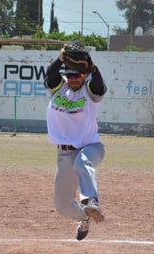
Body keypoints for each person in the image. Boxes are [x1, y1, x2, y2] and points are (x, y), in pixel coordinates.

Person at [44, 40, 107, 241]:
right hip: (64, 154)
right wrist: (61, 58)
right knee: (62, 206)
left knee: (83, 161)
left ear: (84, 75)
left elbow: (98, 85)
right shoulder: (58, 89)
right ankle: (85, 216)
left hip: (90, 147)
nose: (73, 78)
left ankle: (91, 200)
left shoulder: (89, 92)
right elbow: (51, 76)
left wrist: (92, 67)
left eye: (78, 74)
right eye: (70, 74)